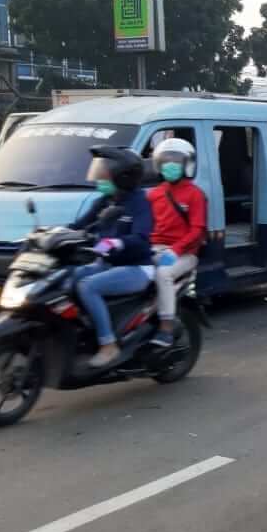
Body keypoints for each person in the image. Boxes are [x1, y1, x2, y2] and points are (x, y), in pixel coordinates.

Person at [73, 146, 154, 368]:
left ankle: (108, 345)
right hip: (106, 262)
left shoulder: (140, 203)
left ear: (122, 176)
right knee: (67, 277)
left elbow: (142, 239)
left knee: (88, 286)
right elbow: (79, 226)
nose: (99, 176)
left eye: (104, 172)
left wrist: (117, 242)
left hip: (137, 268)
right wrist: (50, 233)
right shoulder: (104, 201)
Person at [147, 137, 207, 348]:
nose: (170, 165)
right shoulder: (154, 194)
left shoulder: (195, 195)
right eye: (165, 160)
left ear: (186, 164)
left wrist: (176, 250)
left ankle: (166, 327)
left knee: (163, 273)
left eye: (175, 160)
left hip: (184, 254)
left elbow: (198, 230)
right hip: (154, 249)